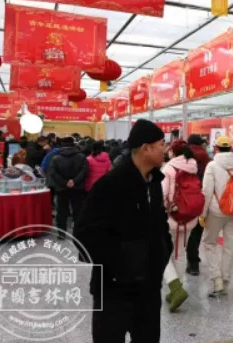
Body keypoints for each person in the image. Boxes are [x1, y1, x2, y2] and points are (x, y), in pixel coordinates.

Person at [74, 120, 172, 343]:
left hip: (148, 289)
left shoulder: (154, 182)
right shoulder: (110, 185)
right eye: (161, 144)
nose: (165, 149)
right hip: (113, 291)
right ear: (146, 148)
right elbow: (83, 233)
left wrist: (163, 251)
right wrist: (120, 265)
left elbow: (160, 223)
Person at [200, 135, 233, 296]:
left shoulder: (212, 165)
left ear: (216, 148)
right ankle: (226, 280)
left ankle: (216, 279)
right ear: (231, 148)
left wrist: (203, 213)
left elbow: (207, 191)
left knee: (208, 242)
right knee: (229, 245)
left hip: (216, 211)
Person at [161, 140, 198, 311]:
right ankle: (178, 289)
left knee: (162, 252)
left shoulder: (168, 168)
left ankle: (176, 289)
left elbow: (162, 193)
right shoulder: (193, 167)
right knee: (180, 253)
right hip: (189, 216)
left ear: (173, 152)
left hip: (172, 216)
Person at [49, 136, 88, 235]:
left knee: (61, 211)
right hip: (78, 188)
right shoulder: (81, 157)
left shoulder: (55, 158)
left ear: (62, 145)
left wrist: (64, 182)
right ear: (73, 144)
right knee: (77, 211)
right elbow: (84, 171)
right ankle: (78, 232)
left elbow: (53, 173)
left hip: (62, 188)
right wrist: (74, 181)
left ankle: (61, 233)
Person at [186, 134, 212, 275]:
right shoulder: (207, 157)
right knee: (197, 230)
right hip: (201, 197)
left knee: (187, 231)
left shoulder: (185, 156)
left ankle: (191, 261)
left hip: (186, 198)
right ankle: (193, 259)